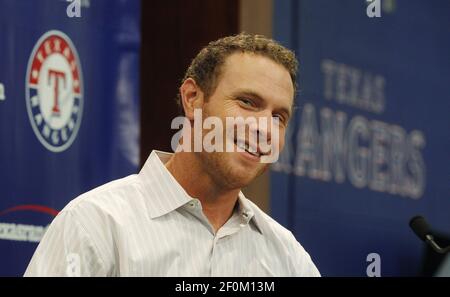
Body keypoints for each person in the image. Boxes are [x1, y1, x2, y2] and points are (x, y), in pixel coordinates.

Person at [24, 33, 320, 277]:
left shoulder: (289, 260)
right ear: (193, 99)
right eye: (247, 102)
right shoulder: (95, 224)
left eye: (279, 117)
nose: (264, 128)